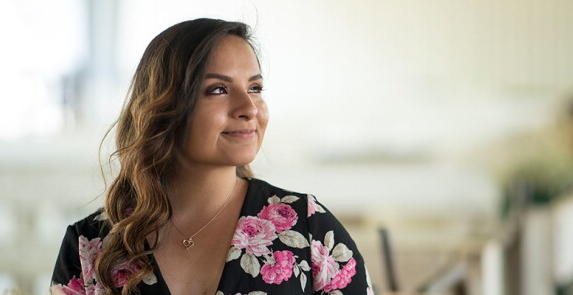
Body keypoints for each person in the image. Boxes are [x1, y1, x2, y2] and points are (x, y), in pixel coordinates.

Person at [50, 18, 373, 295]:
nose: (248, 109)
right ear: (165, 107)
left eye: (255, 88)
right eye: (218, 89)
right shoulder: (90, 246)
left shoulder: (309, 229)